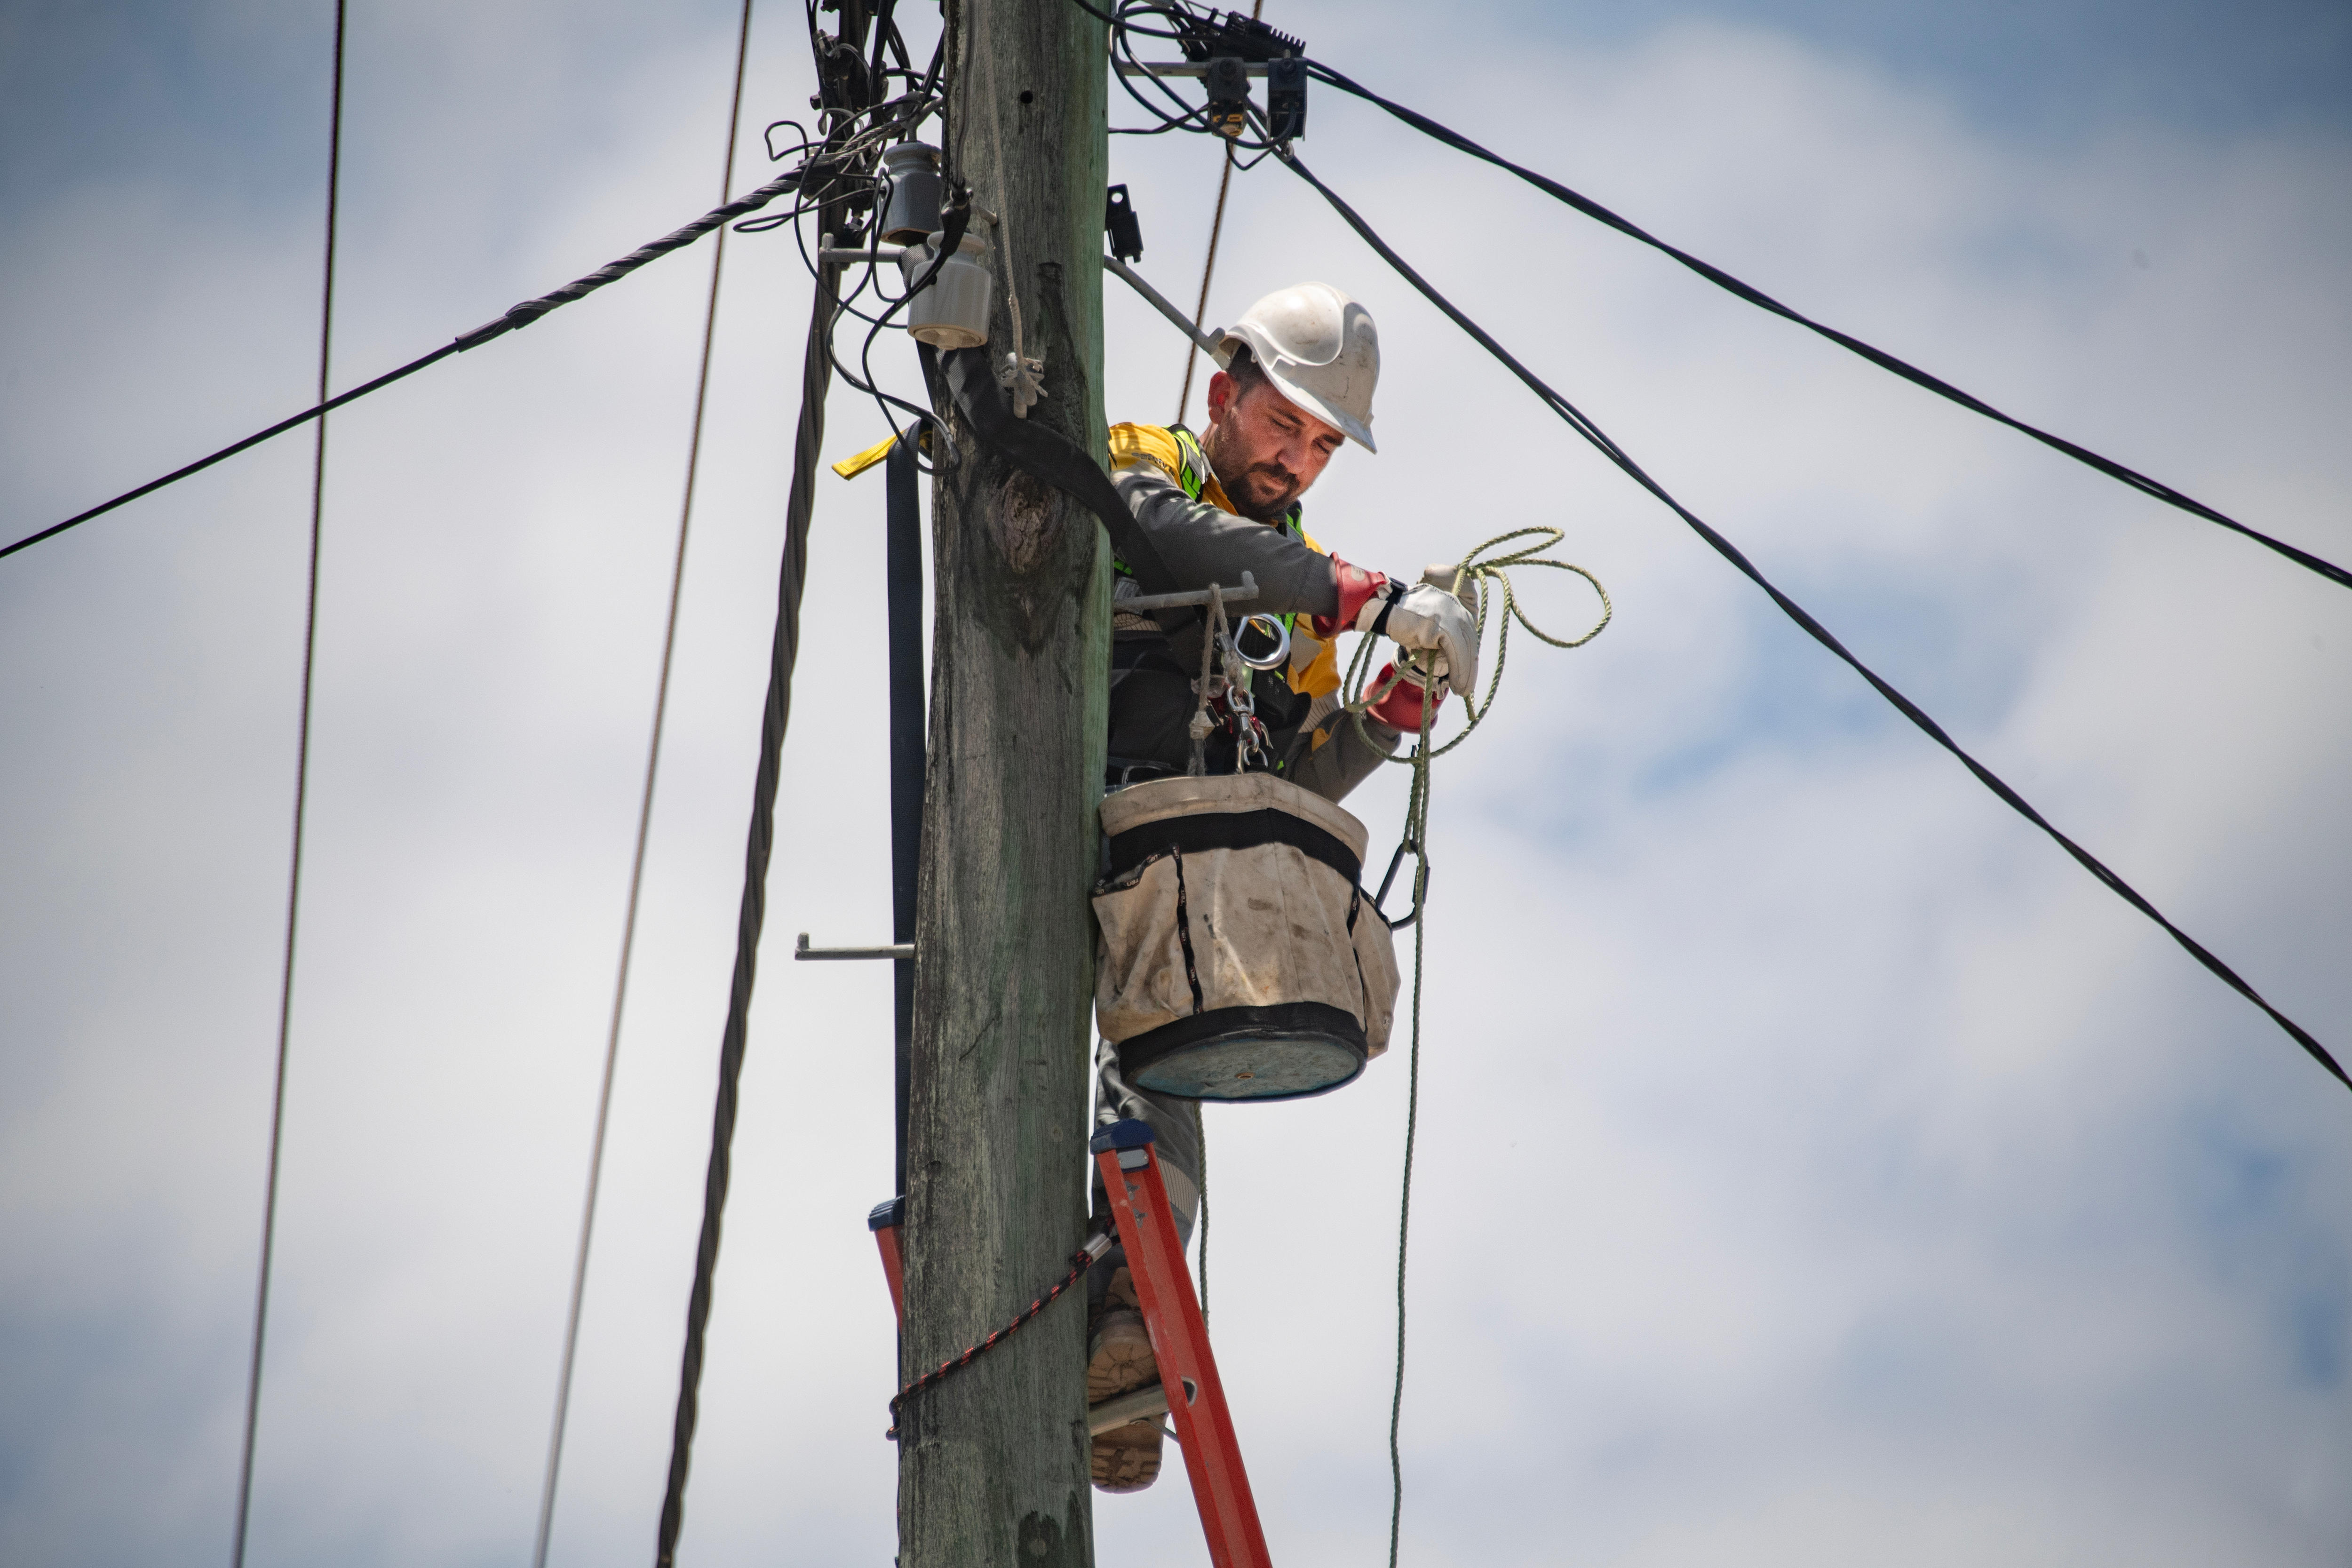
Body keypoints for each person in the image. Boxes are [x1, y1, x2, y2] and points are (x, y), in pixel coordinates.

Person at [1086, 281, 1478, 1493]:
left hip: (1175, 880)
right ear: (1225, 393)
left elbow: (1298, 781)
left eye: (1319, 445)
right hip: (1060, 823)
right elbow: (1165, 535)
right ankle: (1062, 1314)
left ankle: (1121, 1346)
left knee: (1170, 1068)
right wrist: (1366, 594)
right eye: (1283, 425)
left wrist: (1390, 711)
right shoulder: (1135, 465)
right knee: (1034, 1068)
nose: (1297, 459)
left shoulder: (1300, 582)